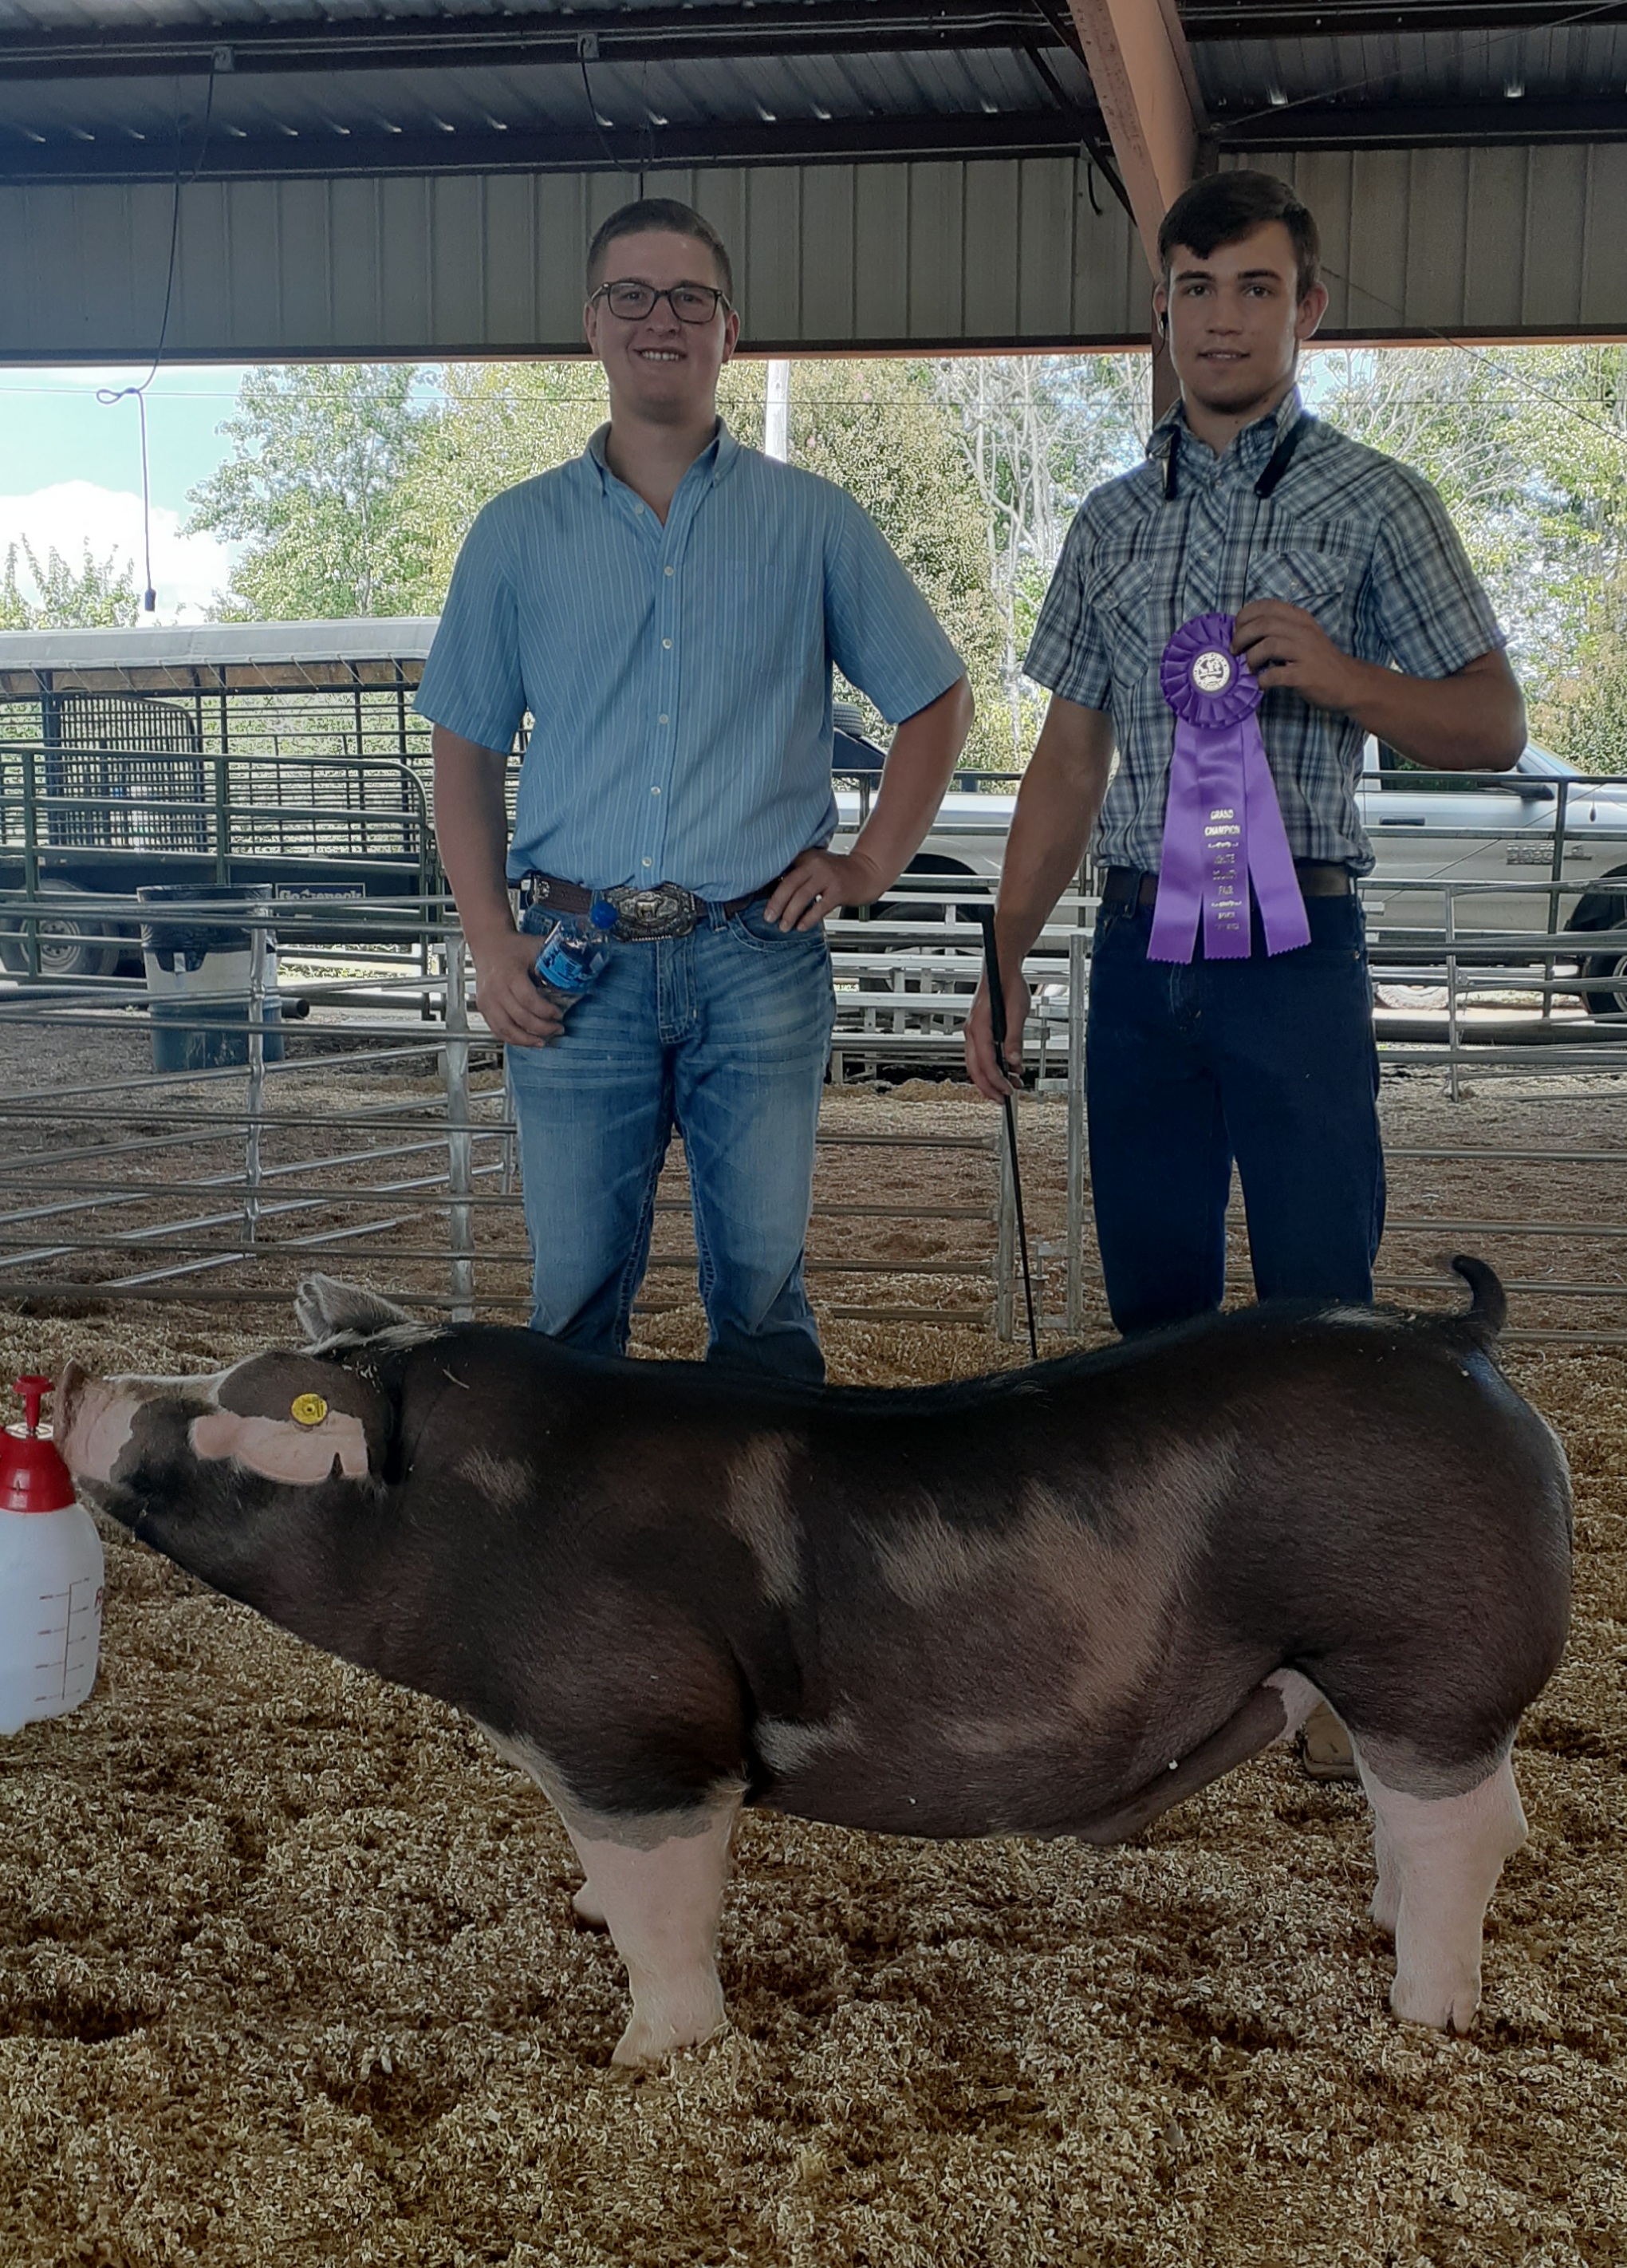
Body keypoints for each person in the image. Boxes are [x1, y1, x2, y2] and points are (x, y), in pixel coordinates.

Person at [963, 170, 1525, 1777]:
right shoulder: (1108, 521)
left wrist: (1344, 677)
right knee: (1150, 1309)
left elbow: (1492, 722)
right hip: (1141, 946)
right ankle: (1165, 1649)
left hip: (1295, 946)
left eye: (1256, 288)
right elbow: (1070, 756)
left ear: (1308, 309)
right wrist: (1005, 950)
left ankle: (1341, 1658)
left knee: (1319, 1311)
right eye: (1197, 287)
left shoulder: (1378, 502)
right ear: (1161, 307)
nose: (1223, 318)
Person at [421, 196, 972, 1385]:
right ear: (592, 324)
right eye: (631, 295)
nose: (658, 319)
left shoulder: (814, 523)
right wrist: (487, 937)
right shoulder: (513, 536)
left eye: (687, 297)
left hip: (756, 953)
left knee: (763, 1297)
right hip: (569, 957)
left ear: (731, 329)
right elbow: (463, 751)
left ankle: (768, 1500)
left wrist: (870, 862)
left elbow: (934, 699)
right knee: (572, 1304)